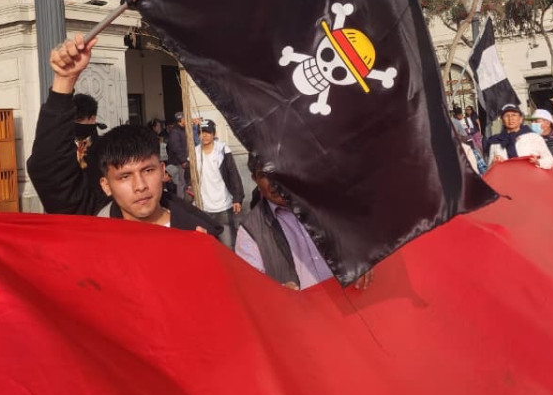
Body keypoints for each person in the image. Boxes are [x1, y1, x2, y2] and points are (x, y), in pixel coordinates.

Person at [235, 154, 371, 290]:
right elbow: (252, 288)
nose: (273, 182)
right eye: (264, 175)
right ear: (255, 179)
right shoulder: (250, 231)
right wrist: (279, 292)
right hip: (300, 309)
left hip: (346, 299)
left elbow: (356, 238)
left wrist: (361, 257)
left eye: (277, 171)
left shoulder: (327, 203)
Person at [26, 35, 111, 215]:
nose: (140, 186)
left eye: (147, 170)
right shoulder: (61, 147)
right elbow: (49, 168)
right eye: (127, 175)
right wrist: (64, 81)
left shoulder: (108, 148)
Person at [91, 124, 222, 235]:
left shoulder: (198, 232)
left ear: (162, 170)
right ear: (106, 186)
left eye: (148, 171)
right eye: (125, 177)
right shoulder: (96, 243)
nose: (141, 186)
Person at [195, 119, 245, 247]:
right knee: (209, 247)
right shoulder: (194, 152)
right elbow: (189, 178)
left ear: (214, 134)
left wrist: (237, 198)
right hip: (204, 207)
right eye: (202, 132)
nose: (205, 135)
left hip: (223, 206)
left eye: (208, 132)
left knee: (228, 246)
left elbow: (233, 174)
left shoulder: (222, 150)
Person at [484, 104, 553, 169]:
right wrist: (494, 163)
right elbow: (489, 169)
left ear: (521, 119)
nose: (510, 118)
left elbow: (550, 161)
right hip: (506, 180)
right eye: (506, 116)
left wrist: (538, 162)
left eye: (514, 115)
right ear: (502, 120)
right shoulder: (495, 141)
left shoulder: (534, 137)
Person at [165, 111, 190, 199]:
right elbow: (176, 148)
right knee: (181, 183)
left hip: (184, 160)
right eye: (184, 118)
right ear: (180, 120)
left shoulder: (183, 130)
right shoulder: (175, 132)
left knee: (184, 183)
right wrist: (183, 160)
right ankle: (181, 201)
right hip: (178, 162)